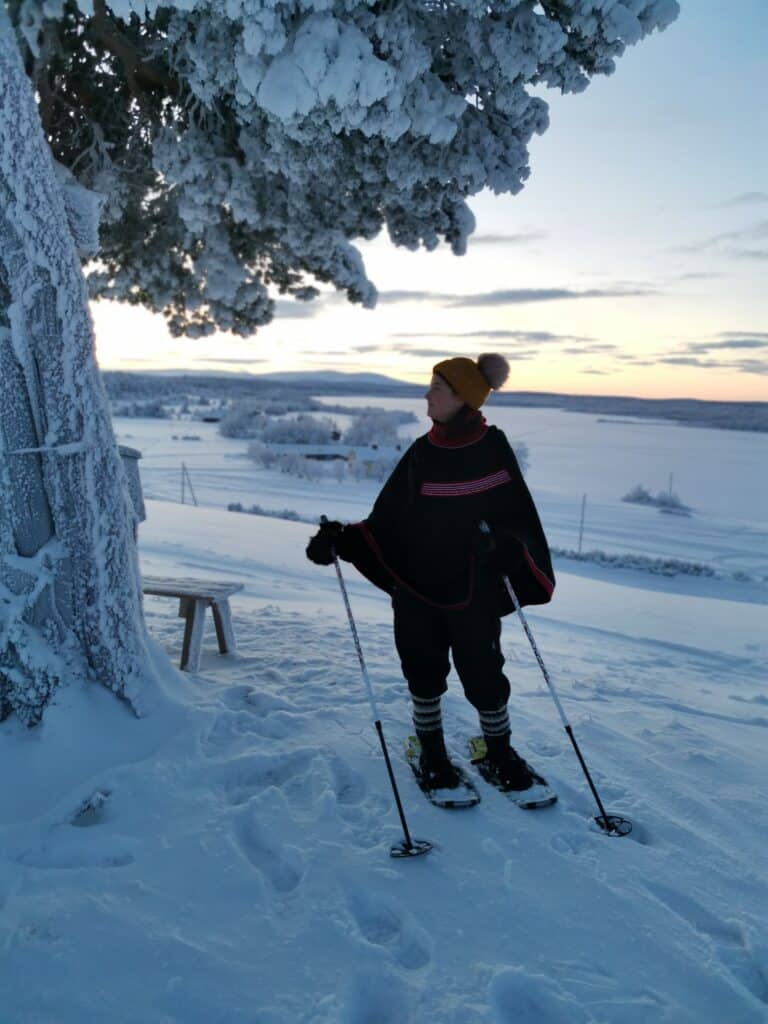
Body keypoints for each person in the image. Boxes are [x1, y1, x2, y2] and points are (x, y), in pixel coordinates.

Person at [306, 354, 555, 795]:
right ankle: (431, 750)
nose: (427, 395)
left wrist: (501, 544)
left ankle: (497, 751)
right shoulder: (423, 452)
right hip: (417, 588)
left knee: (484, 672)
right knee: (422, 668)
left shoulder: (493, 449)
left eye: (436, 388)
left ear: (462, 398)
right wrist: (341, 540)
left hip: (474, 589)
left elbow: (520, 521)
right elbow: (387, 521)